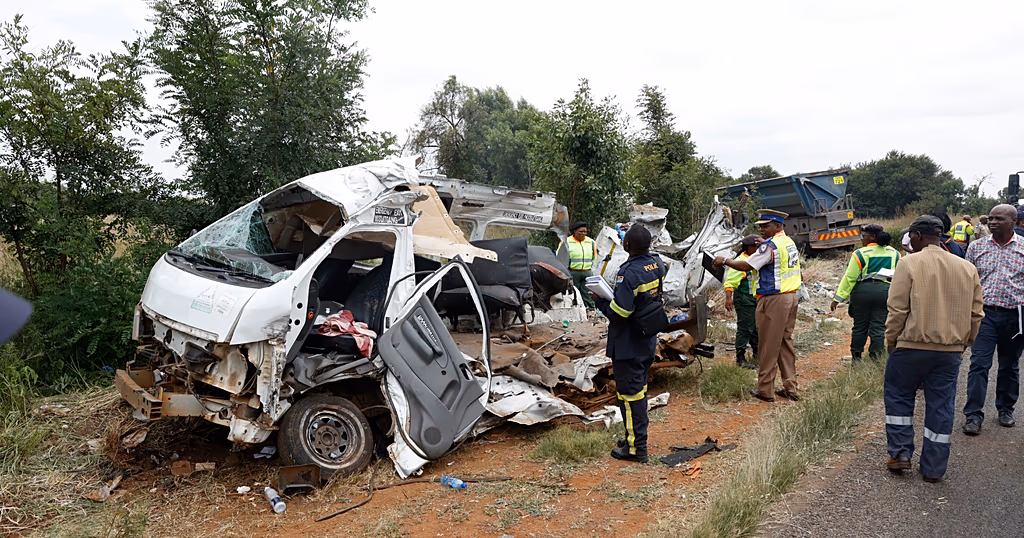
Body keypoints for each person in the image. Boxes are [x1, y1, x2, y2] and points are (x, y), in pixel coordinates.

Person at [883, 215, 982, 482]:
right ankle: (934, 468)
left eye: (910, 236)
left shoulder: (908, 263)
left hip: (910, 347)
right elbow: (976, 314)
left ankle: (900, 454)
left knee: (899, 396)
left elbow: (897, 309)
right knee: (941, 405)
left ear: (918, 236)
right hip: (949, 352)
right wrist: (964, 343)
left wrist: (891, 340)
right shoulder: (967, 267)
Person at [713, 209, 802, 402]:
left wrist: (724, 260)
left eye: (766, 226)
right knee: (785, 343)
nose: (761, 229)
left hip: (773, 299)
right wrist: (765, 244)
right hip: (790, 297)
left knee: (768, 344)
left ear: (777, 226)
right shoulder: (788, 242)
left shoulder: (769, 246)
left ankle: (765, 390)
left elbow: (747, 266)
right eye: (760, 226)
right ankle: (791, 387)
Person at [593, 225, 665, 463]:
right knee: (637, 391)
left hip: (628, 343)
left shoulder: (629, 273)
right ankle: (632, 437)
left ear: (626, 245)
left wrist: (599, 301)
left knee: (631, 396)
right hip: (645, 339)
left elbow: (620, 312)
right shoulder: (656, 264)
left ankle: (636, 449)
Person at [961, 204, 1024, 435]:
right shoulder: (976, 247)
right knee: (979, 364)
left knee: (1009, 365)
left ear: (1014, 221)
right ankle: (973, 415)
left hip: (1015, 316)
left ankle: (1006, 409)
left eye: (999, 218)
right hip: (984, 315)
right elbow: (967, 282)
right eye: (991, 218)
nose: (993, 222)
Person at [831, 224, 900, 361]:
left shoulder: (860, 254)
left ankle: (856, 357)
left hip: (862, 292)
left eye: (863, 236)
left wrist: (838, 299)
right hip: (884, 292)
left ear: (873, 237)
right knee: (879, 327)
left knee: (860, 326)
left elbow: (850, 278)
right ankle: (876, 358)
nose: (861, 239)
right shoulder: (894, 253)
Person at [724, 235, 761, 370]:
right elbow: (730, 282)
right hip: (744, 298)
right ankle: (740, 358)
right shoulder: (741, 261)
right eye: (756, 247)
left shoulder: (756, 259)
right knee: (745, 328)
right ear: (749, 248)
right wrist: (729, 298)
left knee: (756, 328)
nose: (758, 249)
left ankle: (758, 354)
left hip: (755, 298)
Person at [556, 221, 598, 310]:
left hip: (587, 272)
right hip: (572, 272)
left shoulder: (591, 242)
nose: (583, 233)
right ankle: (575, 310)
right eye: (580, 231)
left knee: (588, 293)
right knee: (573, 293)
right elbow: (560, 257)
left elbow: (593, 257)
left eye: (585, 232)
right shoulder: (566, 242)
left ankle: (590, 310)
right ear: (575, 231)